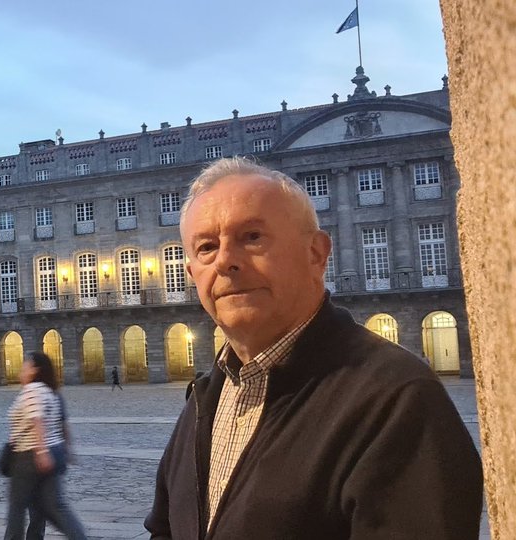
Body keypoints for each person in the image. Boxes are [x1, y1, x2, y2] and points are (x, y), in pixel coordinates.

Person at [145, 157, 483, 538]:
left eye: (252, 237)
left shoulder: (396, 398)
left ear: (316, 254)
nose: (225, 261)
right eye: (206, 247)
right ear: (192, 274)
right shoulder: (207, 395)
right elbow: (166, 527)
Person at [4, 352, 86, 540]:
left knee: (16, 507)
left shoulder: (32, 390)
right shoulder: (51, 392)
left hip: (29, 455)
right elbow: (58, 423)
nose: (22, 370)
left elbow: (37, 419)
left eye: (25, 366)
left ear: (35, 370)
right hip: (53, 451)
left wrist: (41, 451)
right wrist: (65, 450)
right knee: (56, 507)